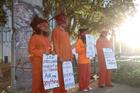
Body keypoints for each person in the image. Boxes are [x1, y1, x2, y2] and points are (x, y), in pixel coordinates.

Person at [28, 15, 51, 93]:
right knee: (37, 82)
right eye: (42, 25)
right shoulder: (34, 37)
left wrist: (52, 52)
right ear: (37, 27)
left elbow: (49, 48)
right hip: (37, 62)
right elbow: (31, 50)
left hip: (47, 63)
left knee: (45, 81)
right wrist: (43, 53)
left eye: (45, 26)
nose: (44, 27)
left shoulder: (46, 38)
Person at [52, 12, 73, 93]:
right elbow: (55, 44)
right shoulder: (56, 31)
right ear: (61, 21)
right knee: (59, 77)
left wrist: (71, 56)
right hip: (60, 59)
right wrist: (59, 56)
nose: (67, 22)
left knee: (65, 78)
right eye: (65, 20)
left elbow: (69, 46)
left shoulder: (66, 33)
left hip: (67, 58)